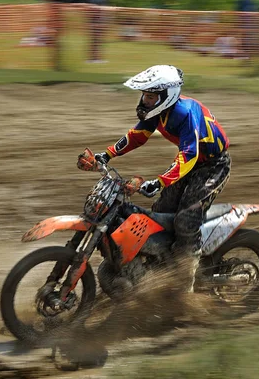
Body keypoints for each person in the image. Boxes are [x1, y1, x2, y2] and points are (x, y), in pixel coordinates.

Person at [95, 65, 231, 288]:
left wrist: (159, 182)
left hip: (213, 166)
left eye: (150, 96)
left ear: (166, 96)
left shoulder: (185, 113)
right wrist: (108, 154)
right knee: (160, 213)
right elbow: (136, 136)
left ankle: (186, 281)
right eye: (144, 95)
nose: (144, 101)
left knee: (186, 220)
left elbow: (189, 154)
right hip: (189, 164)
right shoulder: (158, 112)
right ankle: (160, 265)